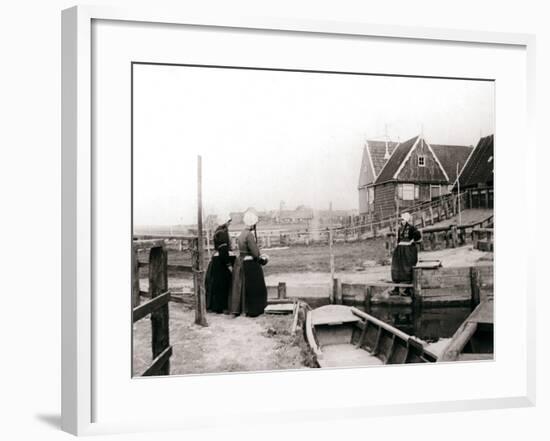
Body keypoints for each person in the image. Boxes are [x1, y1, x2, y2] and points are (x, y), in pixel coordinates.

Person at [228, 210, 269, 317]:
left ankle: (243, 309)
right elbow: (255, 253)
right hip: (250, 262)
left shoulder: (241, 234)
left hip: (241, 261)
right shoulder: (249, 235)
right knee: (256, 285)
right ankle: (254, 309)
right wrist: (263, 258)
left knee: (242, 286)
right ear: (253, 224)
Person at [205, 215, 235, 313]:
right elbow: (223, 250)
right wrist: (229, 265)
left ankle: (216, 307)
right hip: (221, 261)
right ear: (225, 223)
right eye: (228, 222)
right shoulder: (223, 233)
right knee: (223, 284)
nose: (230, 224)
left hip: (217, 259)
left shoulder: (217, 232)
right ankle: (222, 307)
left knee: (217, 284)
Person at [390, 212, 421, 296]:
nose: (402, 221)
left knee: (407, 268)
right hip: (400, 251)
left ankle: (407, 289)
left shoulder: (411, 228)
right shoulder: (400, 229)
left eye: (403, 219)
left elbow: (418, 235)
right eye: (401, 219)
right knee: (396, 267)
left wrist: (411, 241)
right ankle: (396, 288)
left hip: (408, 251)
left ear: (407, 220)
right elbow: (399, 240)